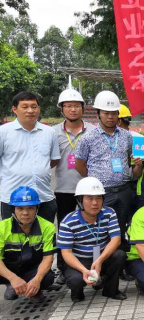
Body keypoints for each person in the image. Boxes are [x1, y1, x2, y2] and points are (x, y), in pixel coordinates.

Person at [75, 91, 142, 251]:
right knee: (99, 230)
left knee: (121, 228)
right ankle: (98, 260)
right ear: (98, 113)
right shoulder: (88, 138)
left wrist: (137, 166)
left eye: (113, 113)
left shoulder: (127, 136)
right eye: (106, 113)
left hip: (124, 191)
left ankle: (119, 260)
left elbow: (130, 162)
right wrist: (94, 179)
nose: (110, 117)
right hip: (101, 194)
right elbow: (79, 164)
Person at [57, 177, 127, 303]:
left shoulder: (109, 213)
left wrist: (100, 260)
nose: (95, 203)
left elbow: (116, 240)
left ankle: (110, 290)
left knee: (119, 255)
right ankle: (77, 291)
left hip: (100, 256)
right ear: (80, 200)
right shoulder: (68, 222)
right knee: (76, 280)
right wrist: (84, 270)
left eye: (98, 198)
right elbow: (66, 253)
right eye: (89, 198)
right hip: (79, 260)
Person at [0, 92, 60, 223]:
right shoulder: (3, 132)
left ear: (39, 108)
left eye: (34, 106)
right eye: (25, 106)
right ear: (14, 109)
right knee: (13, 235)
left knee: (45, 234)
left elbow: (54, 159)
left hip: (43, 197)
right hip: (12, 199)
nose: (30, 110)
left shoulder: (49, 132)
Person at [0, 187, 56, 301]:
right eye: (20, 208)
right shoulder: (2, 228)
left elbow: (48, 258)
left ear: (37, 209)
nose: (25, 213)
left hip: (31, 269)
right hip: (9, 269)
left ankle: (33, 289)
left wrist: (37, 279)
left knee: (47, 278)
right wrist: (13, 278)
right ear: (13, 209)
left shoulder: (48, 227)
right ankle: (12, 285)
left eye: (31, 208)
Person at [54, 88, 95, 228]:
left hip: (89, 188)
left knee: (90, 227)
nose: (73, 109)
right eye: (68, 106)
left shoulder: (93, 131)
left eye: (77, 105)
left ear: (83, 108)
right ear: (61, 109)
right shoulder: (53, 132)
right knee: (65, 226)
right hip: (63, 188)